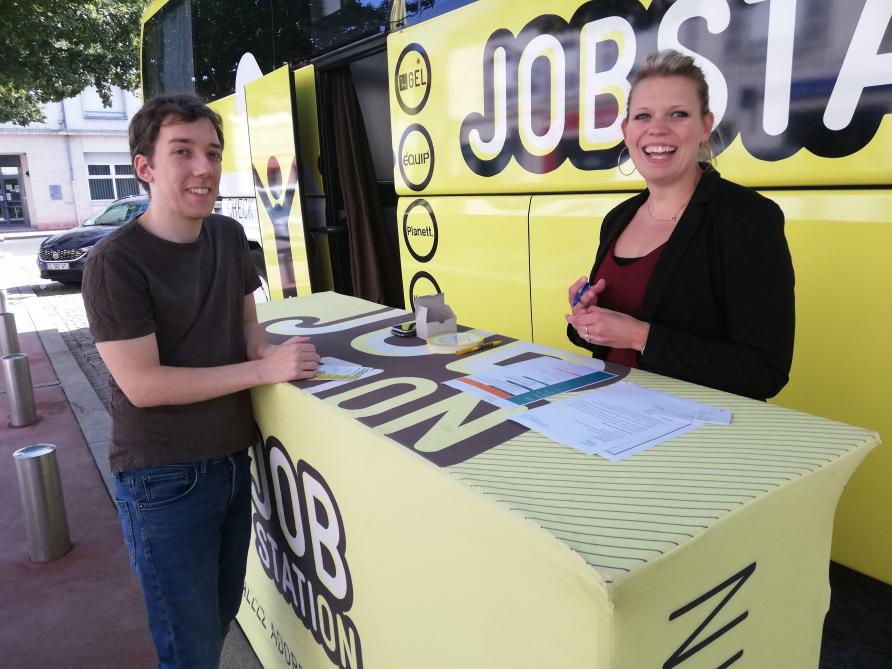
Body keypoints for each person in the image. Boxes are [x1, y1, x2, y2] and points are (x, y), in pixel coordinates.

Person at [82, 94, 320, 669]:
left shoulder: (228, 235)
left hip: (233, 463)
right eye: (182, 152)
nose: (203, 168)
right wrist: (263, 369)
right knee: (188, 647)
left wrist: (279, 356)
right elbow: (144, 385)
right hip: (162, 480)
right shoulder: (116, 262)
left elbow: (247, 331)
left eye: (212, 153)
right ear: (146, 167)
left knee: (215, 621)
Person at [566, 50, 794, 401]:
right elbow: (608, 345)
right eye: (643, 116)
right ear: (627, 131)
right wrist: (587, 319)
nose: (657, 128)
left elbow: (764, 370)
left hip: (697, 440)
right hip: (611, 417)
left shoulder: (747, 217)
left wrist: (641, 337)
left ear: (705, 127)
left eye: (678, 114)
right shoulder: (618, 218)